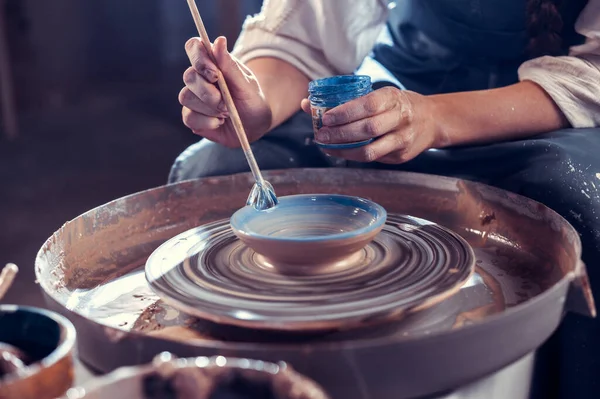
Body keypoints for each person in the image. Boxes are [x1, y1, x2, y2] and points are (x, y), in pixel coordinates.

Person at [171, 1, 600, 398]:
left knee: (567, 201)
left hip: (551, 105)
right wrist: (254, 104)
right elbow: (308, 33)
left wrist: (435, 118)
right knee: (210, 174)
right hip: (408, 83)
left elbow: (592, 71)